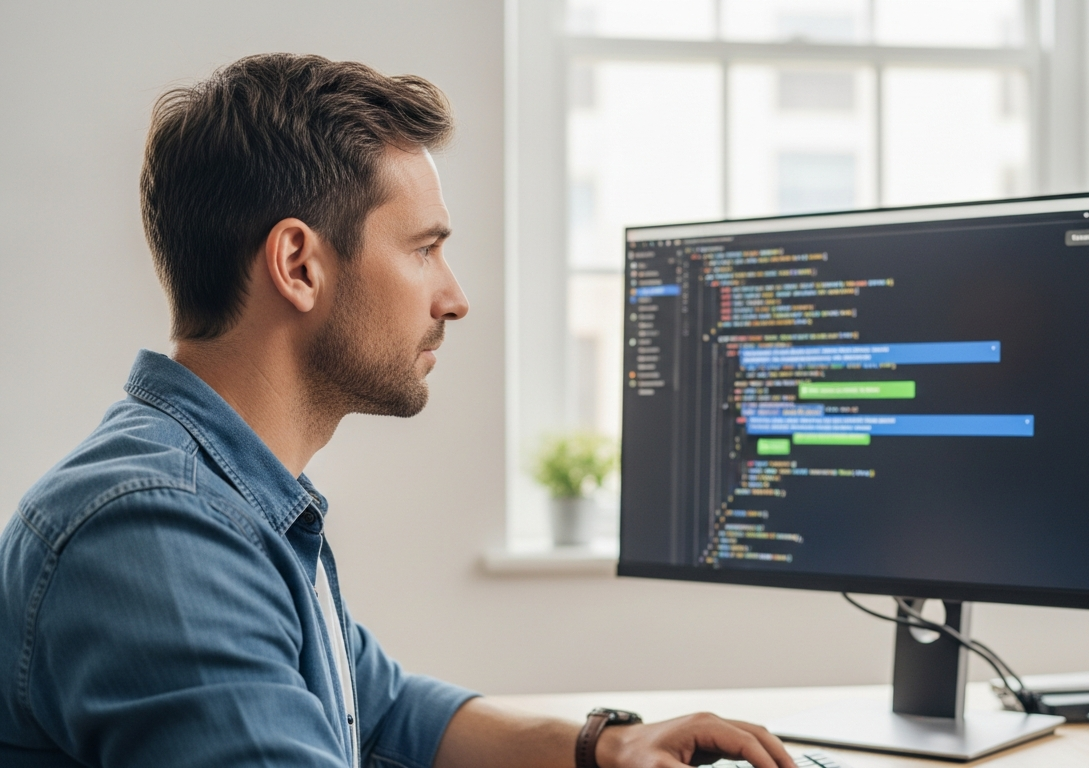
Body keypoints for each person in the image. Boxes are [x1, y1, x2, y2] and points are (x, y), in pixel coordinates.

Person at [0, 53, 796, 768]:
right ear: (299, 265)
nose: (455, 298)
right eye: (423, 249)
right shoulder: (156, 533)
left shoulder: (236, 498)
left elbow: (379, 711)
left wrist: (604, 746)